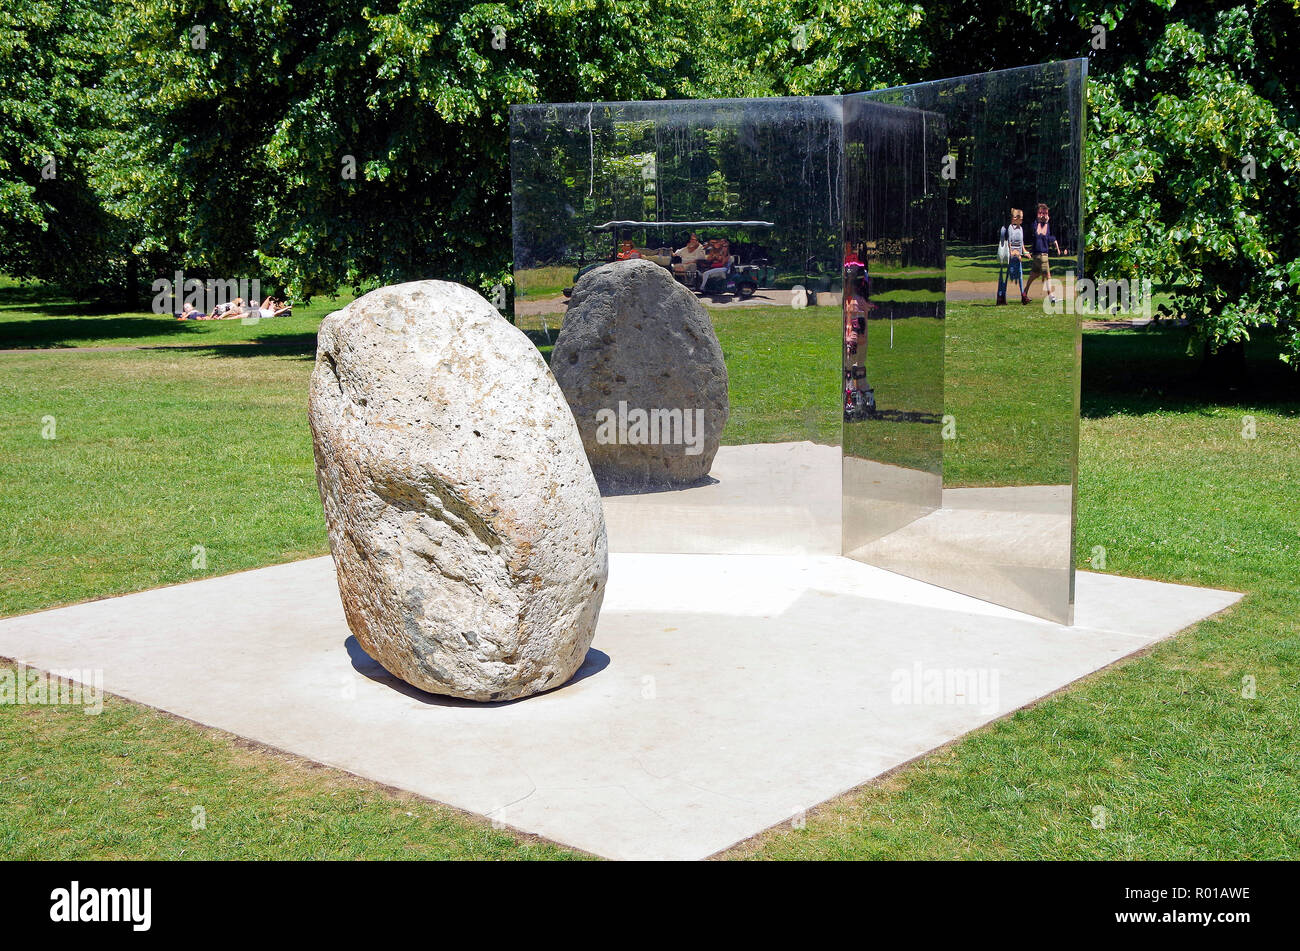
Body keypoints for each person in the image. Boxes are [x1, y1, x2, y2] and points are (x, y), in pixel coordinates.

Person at [1022, 203, 1062, 304]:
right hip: (1040, 254)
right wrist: (1044, 222)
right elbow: (1039, 234)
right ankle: (1051, 297)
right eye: (1041, 213)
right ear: (1037, 214)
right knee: (1047, 276)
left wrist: (1056, 245)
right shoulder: (1036, 224)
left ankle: (1024, 293)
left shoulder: (1046, 225)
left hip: (1042, 254)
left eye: (1045, 213)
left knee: (1034, 275)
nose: (1043, 215)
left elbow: (1048, 237)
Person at [997, 208, 1028, 305]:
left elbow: (1021, 242)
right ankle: (1002, 297)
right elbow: (1010, 242)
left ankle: (1023, 295)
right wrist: (1012, 253)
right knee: (1006, 277)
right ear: (1016, 218)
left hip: (1018, 255)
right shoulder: (1010, 228)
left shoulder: (1021, 228)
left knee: (1020, 275)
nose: (1022, 220)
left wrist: (1024, 252)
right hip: (1011, 255)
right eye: (1020, 218)